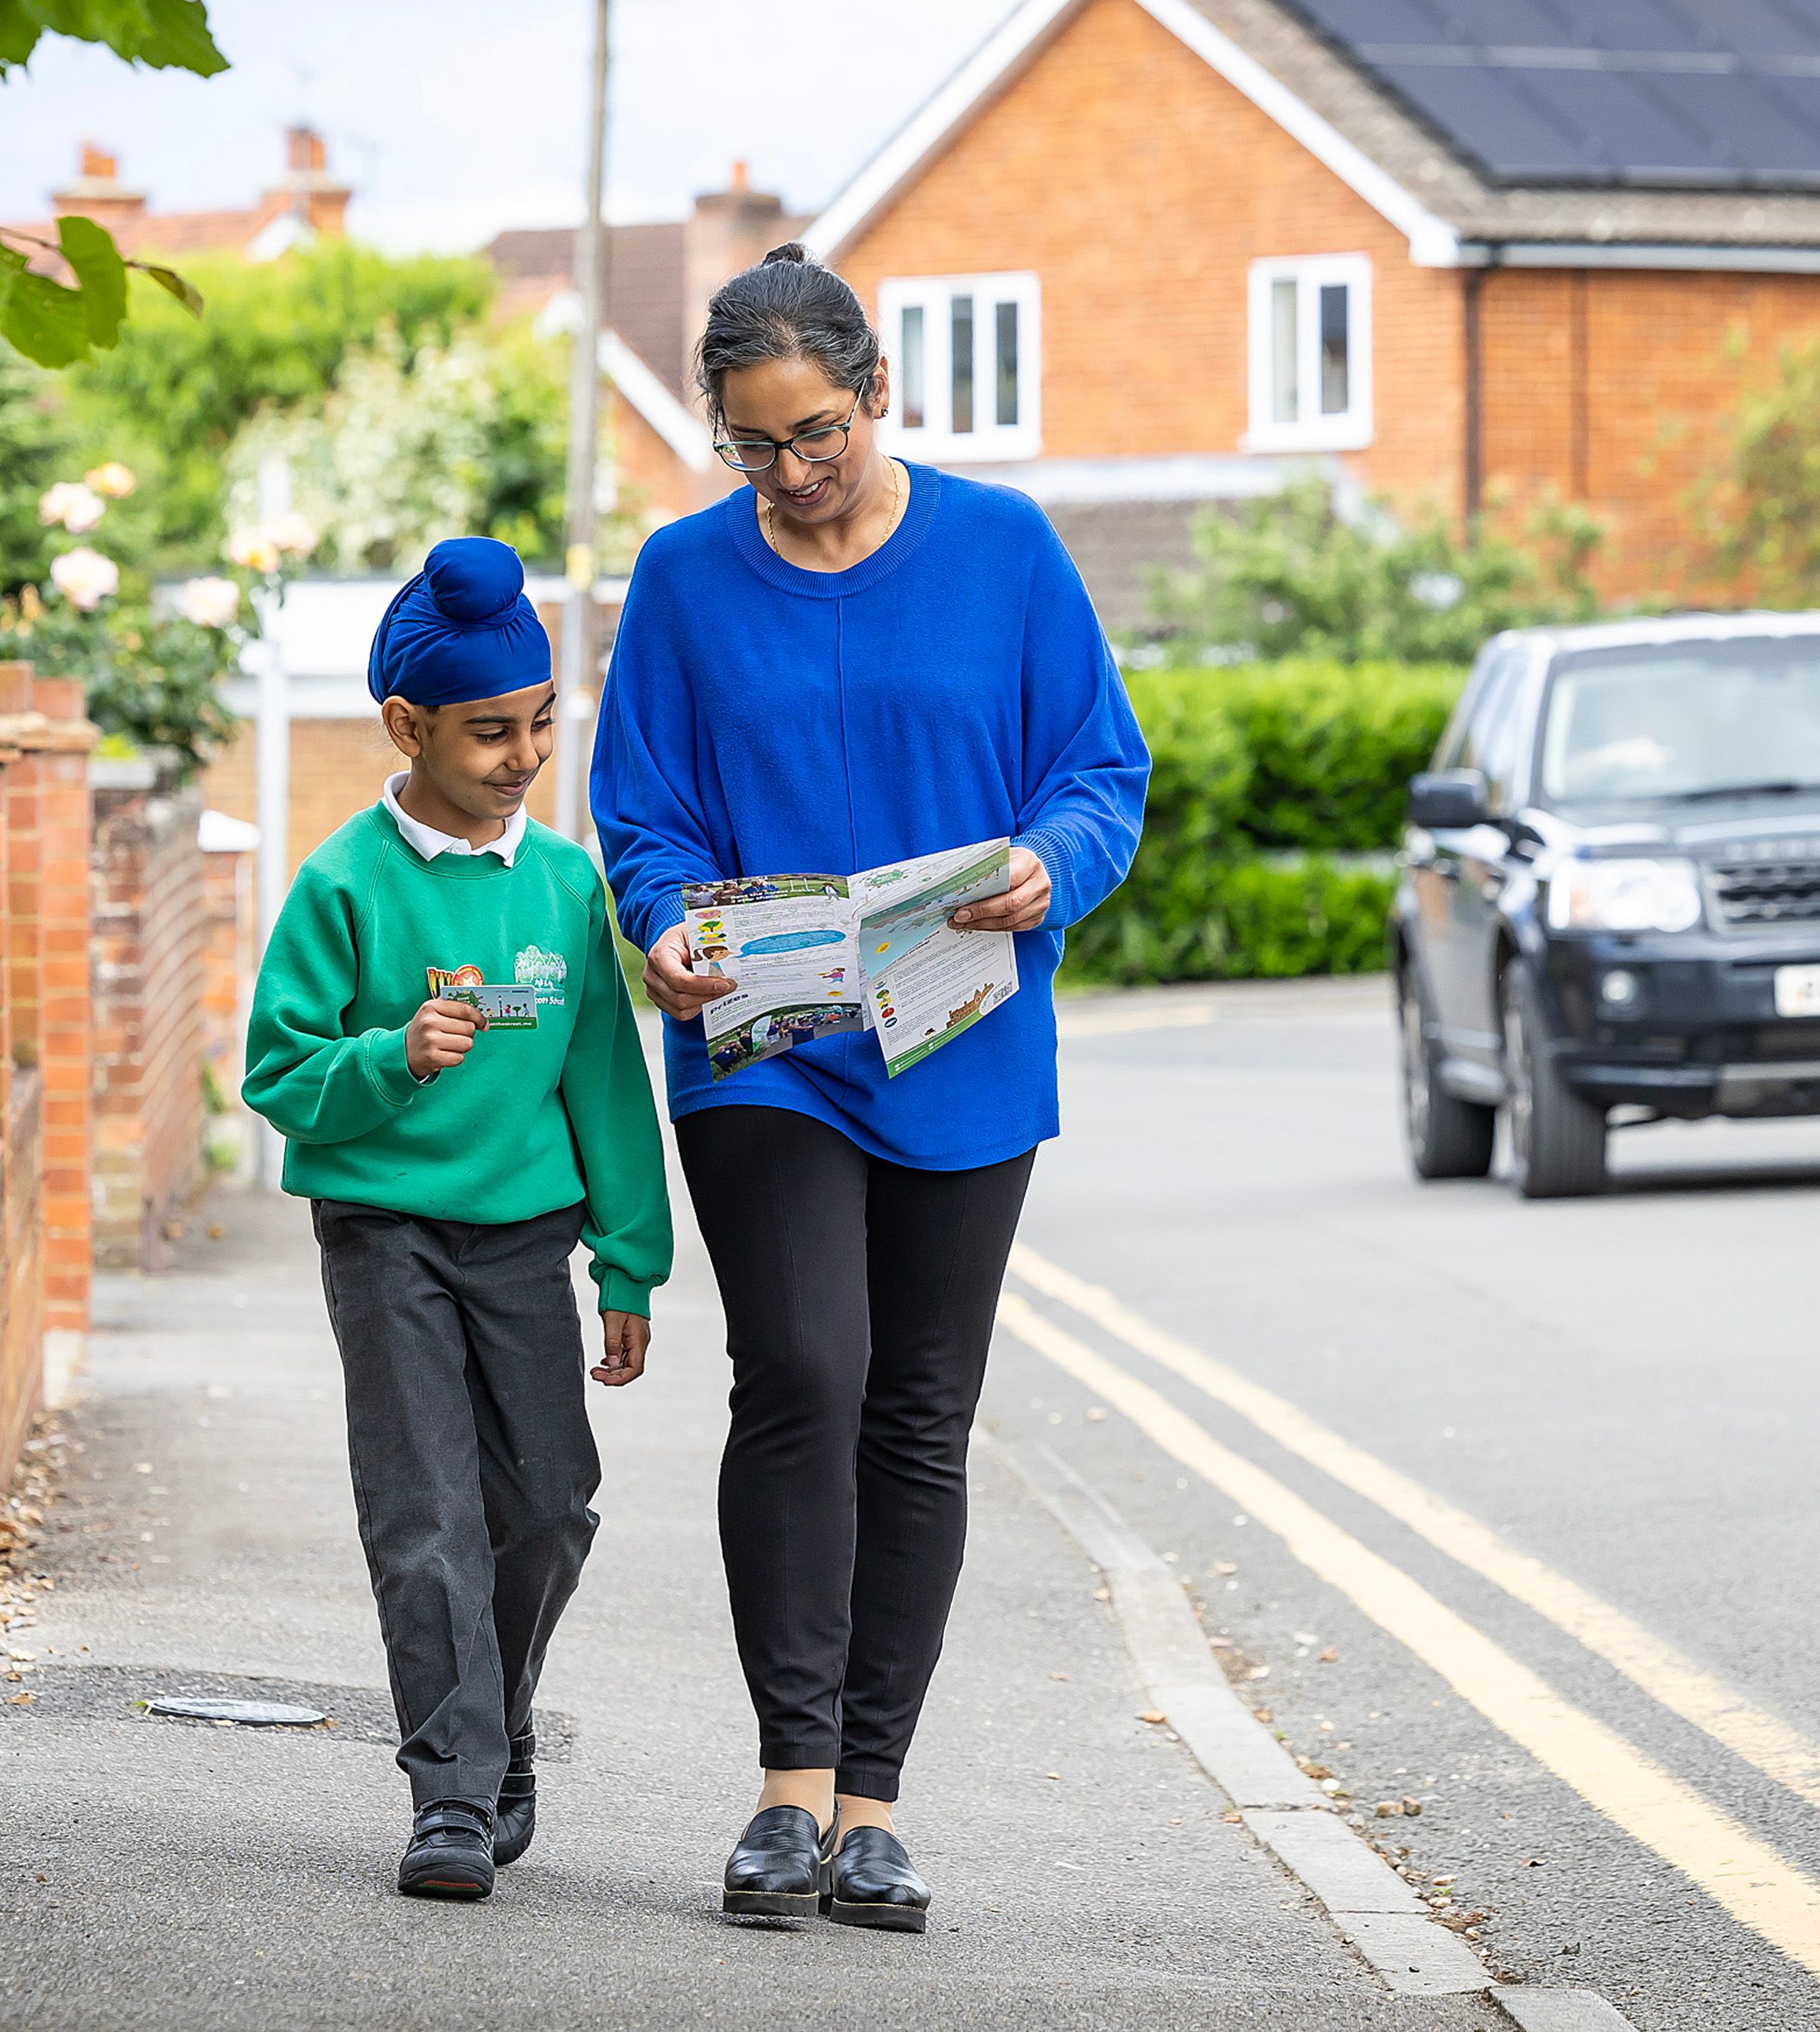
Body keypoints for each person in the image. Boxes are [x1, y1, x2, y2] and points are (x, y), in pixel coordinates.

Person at [590, 246, 1148, 1932]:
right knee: (805, 1369)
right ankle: (787, 1785)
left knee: (919, 1408)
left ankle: (876, 1805)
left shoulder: (1007, 552)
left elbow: (1098, 774)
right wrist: (662, 920)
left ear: (878, 391)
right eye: (754, 447)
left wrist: (1054, 867)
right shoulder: (686, 580)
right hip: (768, 1050)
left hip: (962, 1034)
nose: (793, 475)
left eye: (815, 435)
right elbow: (647, 815)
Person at [244, 536, 673, 1901]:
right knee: (424, 1509)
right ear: (407, 725)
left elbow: (608, 1081)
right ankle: (451, 1787)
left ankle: (494, 1717)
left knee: (549, 1505)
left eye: (543, 721)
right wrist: (385, 1056)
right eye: (492, 729)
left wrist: (631, 1259)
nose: (524, 752)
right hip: (384, 1237)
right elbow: (277, 1073)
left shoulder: (564, 885)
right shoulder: (344, 883)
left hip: (525, 1243)